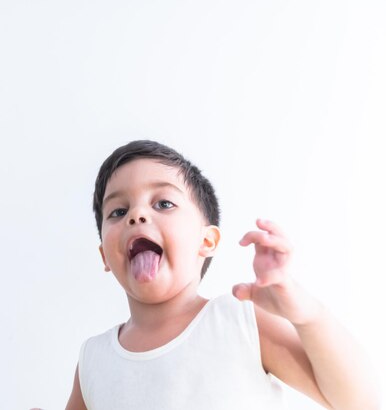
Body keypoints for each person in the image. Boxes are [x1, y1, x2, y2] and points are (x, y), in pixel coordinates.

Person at [64, 140, 380, 410]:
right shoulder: (94, 357)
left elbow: (357, 401)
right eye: (118, 211)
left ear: (207, 241)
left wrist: (306, 314)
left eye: (163, 202)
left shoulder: (239, 321)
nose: (137, 215)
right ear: (105, 255)